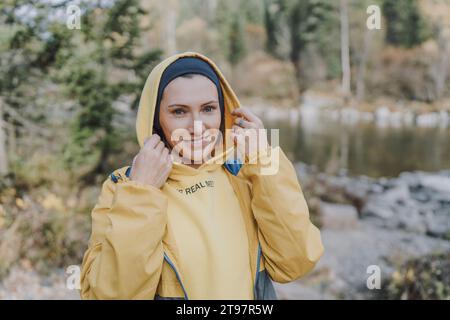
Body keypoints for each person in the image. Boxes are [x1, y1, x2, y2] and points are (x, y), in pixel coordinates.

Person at [80, 51, 324, 300]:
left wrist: (266, 160)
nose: (197, 126)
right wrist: (142, 192)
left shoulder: (247, 172)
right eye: (179, 112)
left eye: (208, 109)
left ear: (224, 113)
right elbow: (110, 296)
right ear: (156, 120)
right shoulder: (124, 186)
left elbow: (296, 263)